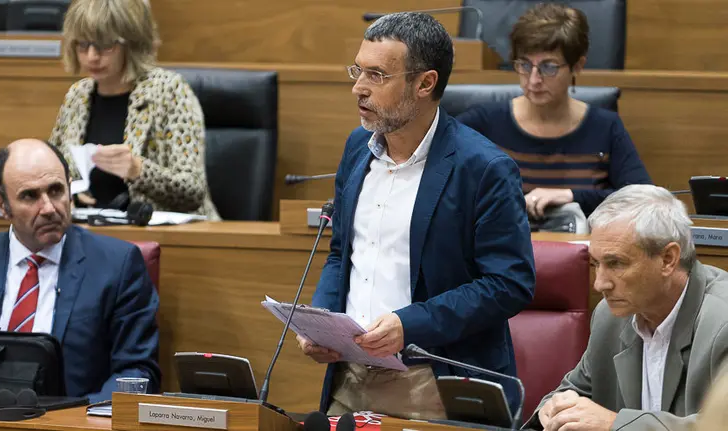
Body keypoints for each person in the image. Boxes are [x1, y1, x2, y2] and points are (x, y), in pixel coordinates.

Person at [297, 12, 536, 419]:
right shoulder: (358, 148)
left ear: (425, 83)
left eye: (376, 75)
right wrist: (319, 323)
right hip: (349, 377)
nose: (358, 88)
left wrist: (411, 324)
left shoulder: (483, 168)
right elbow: (342, 254)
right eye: (358, 70)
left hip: (432, 380)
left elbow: (508, 283)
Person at [0, 139, 161, 402]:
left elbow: (139, 372)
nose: (49, 208)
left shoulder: (118, 265)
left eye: (56, 190)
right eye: (29, 196)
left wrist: (81, 420)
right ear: (1, 205)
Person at [529, 184, 728, 430]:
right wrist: (553, 410)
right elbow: (576, 391)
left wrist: (615, 424)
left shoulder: (722, 322)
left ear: (668, 259)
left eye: (616, 263)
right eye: (596, 264)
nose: (599, 284)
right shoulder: (610, 316)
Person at [456, 3, 651, 219]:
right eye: (525, 65)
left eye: (549, 67)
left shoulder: (606, 127)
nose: (534, 80)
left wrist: (571, 196)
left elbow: (643, 199)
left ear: (577, 66)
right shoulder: (482, 124)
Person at [49, 0, 220, 219]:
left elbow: (193, 189)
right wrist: (69, 190)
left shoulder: (169, 92)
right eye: (83, 45)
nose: (92, 56)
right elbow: (53, 170)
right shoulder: (77, 97)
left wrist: (138, 170)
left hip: (168, 235)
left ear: (132, 43)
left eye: (105, 45)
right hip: (91, 230)